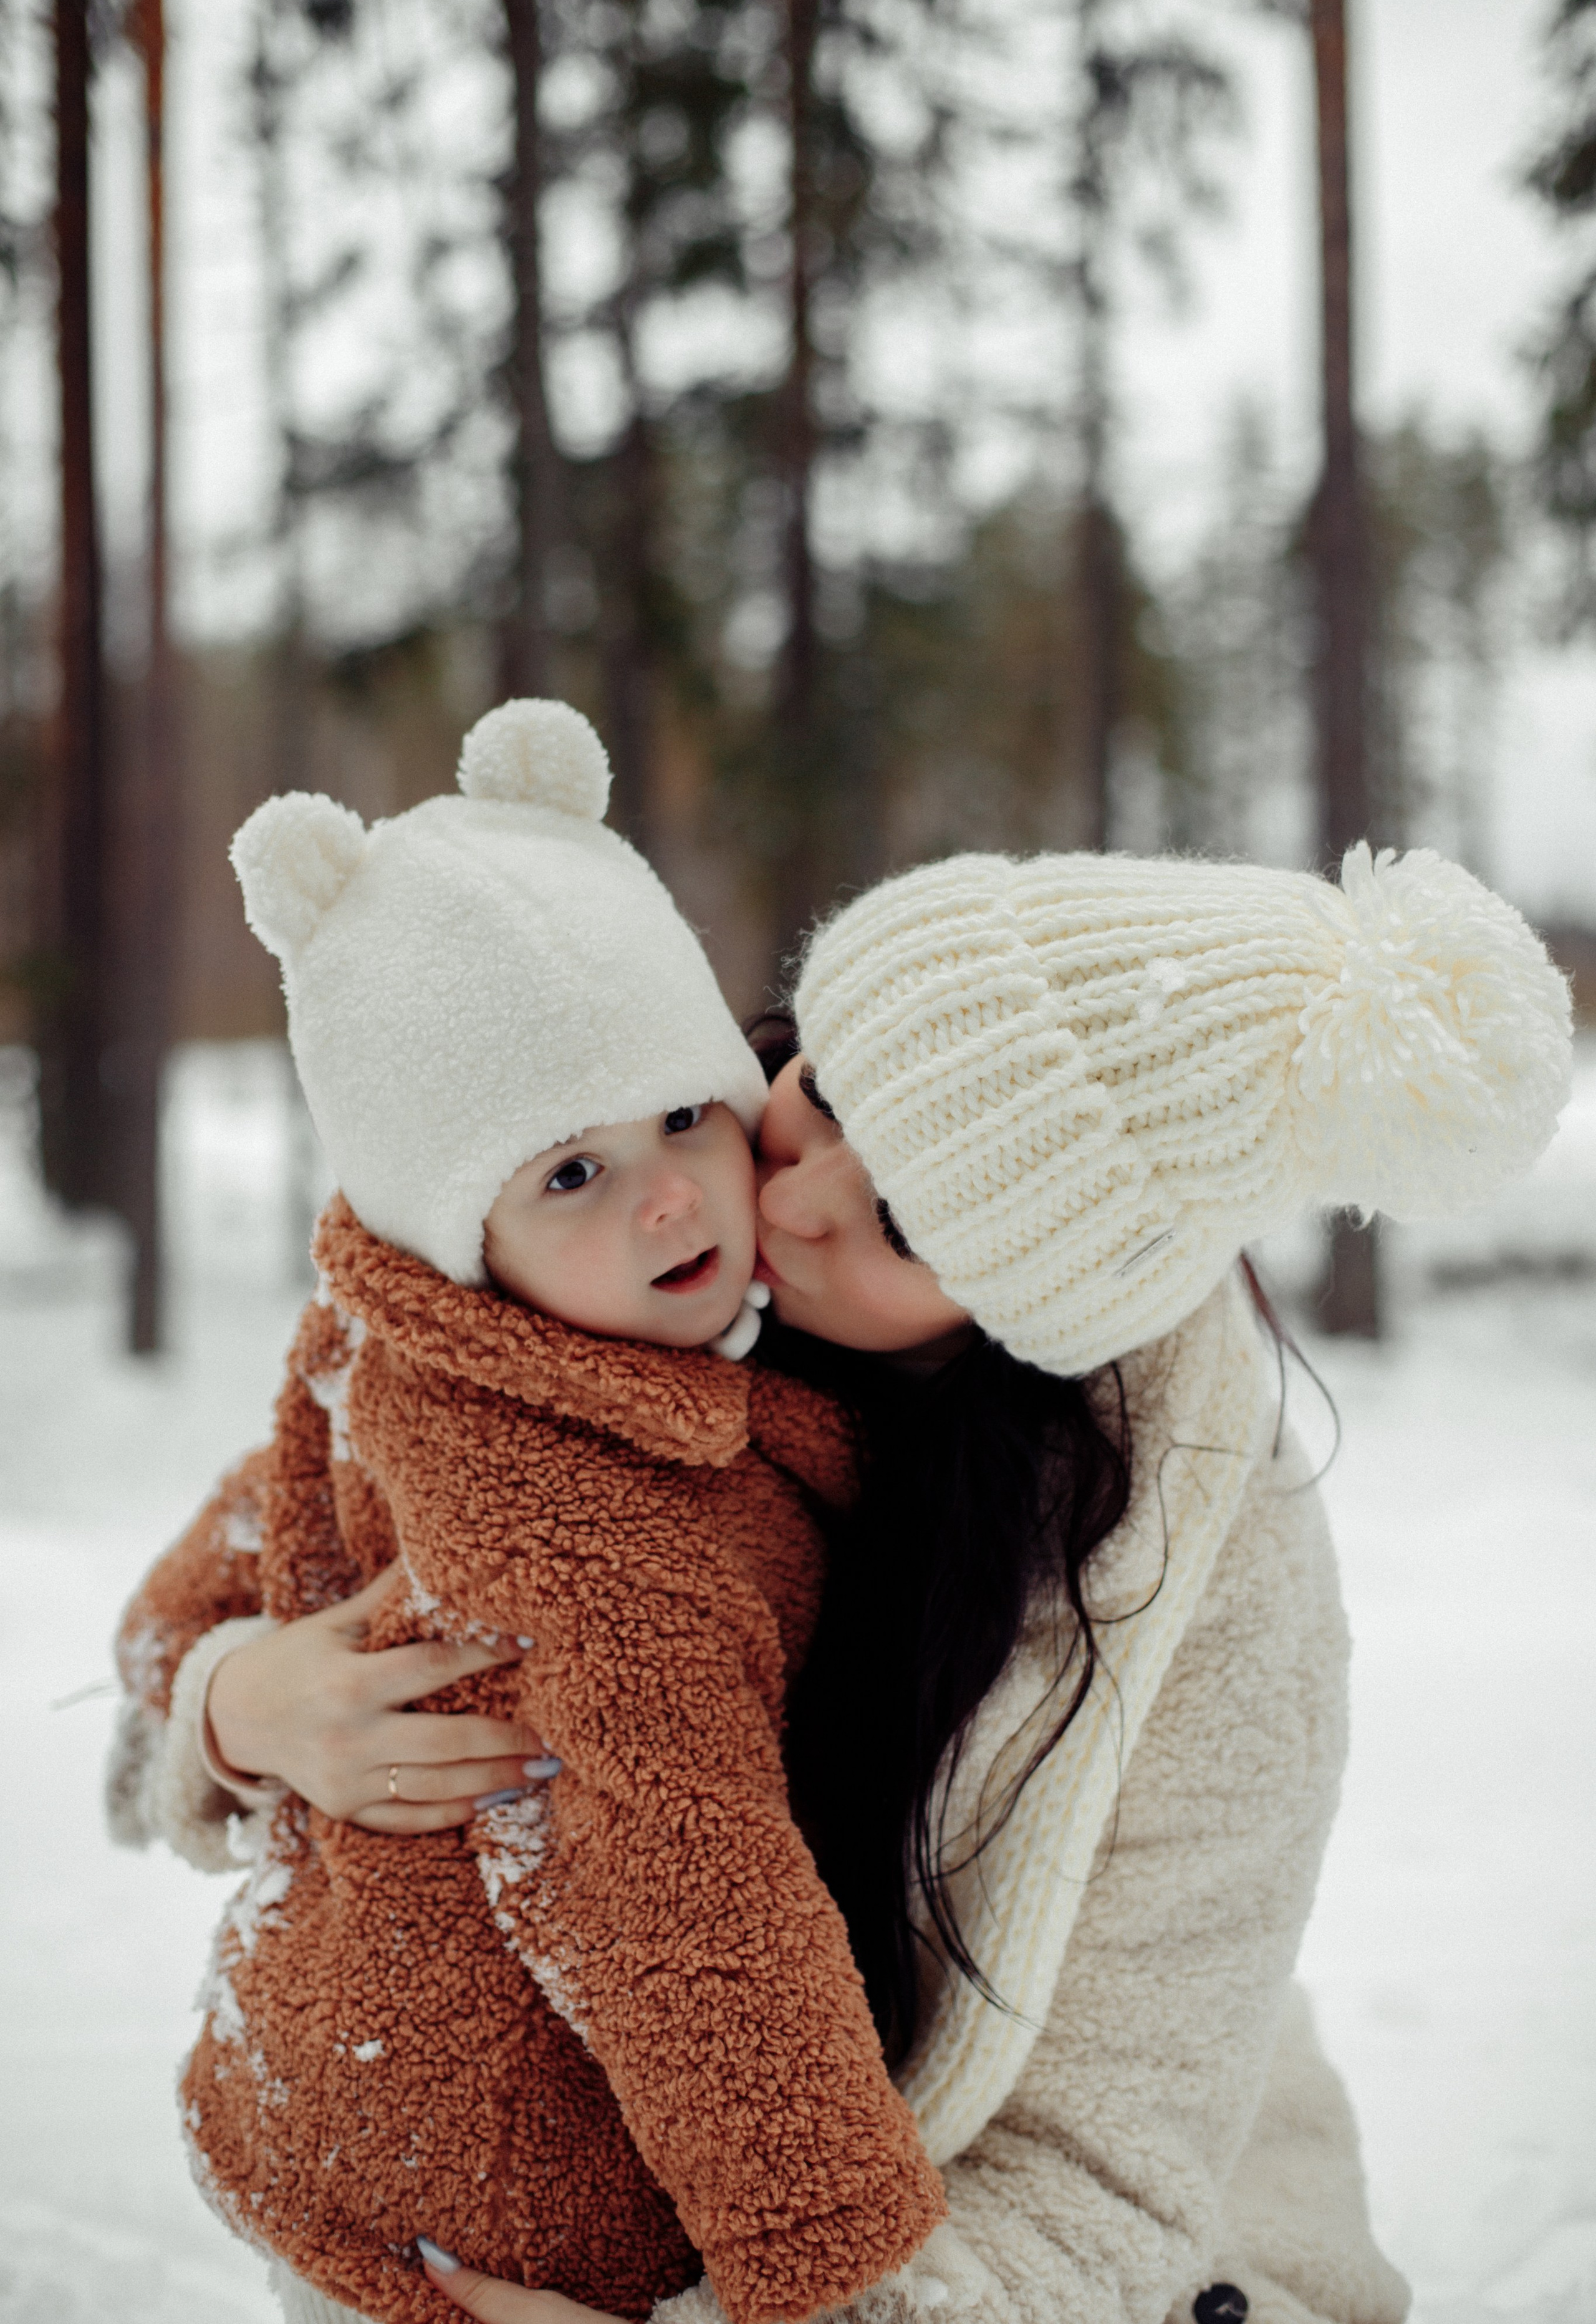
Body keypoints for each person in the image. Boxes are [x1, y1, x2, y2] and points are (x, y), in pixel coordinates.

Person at [111, 831, 1573, 2324]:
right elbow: (252, 1566)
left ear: (1021, 1304)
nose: (787, 1200)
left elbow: (1096, 2173)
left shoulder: (1202, 1584)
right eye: (822, 1089)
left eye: (906, 1223)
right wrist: (246, 1702)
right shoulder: (584, 1266)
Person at [106, 700, 955, 2324]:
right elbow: (684, 1896)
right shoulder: (575, 1512)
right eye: (567, 1172)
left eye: (688, 1117)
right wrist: (826, 2257)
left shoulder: (392, 1348)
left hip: (333, 2103)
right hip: (495, 2209)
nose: (665, 1194)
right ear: (459, 1230)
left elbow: (176, 1600)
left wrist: (217, 1688)